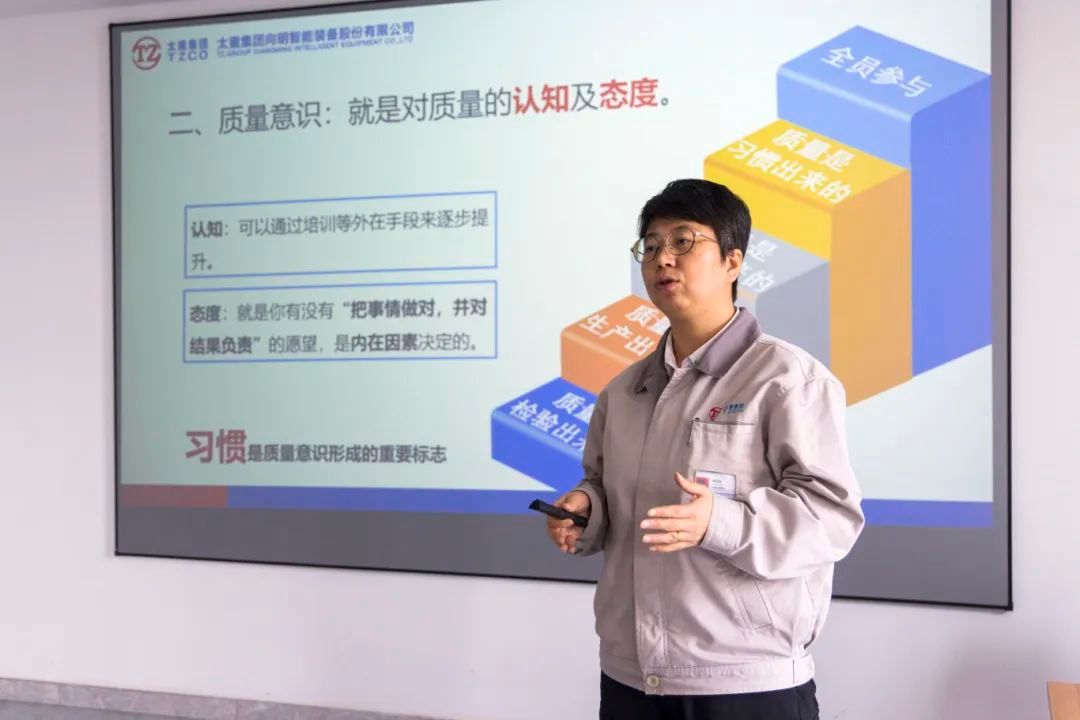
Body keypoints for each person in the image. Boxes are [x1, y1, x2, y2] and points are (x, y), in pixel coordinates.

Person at [546, 179, 865, 719]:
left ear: (733, 262)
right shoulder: (623, 392)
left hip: (745, 683)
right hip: (630, 677)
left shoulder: (787, 379)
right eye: (651, 246)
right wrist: (585, 510)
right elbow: (602, 486)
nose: (662, 259)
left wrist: (718, 522)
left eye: (683, 241)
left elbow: (831, 518)